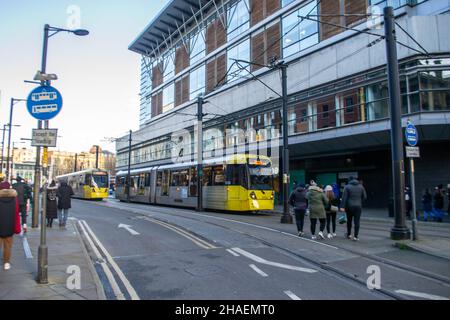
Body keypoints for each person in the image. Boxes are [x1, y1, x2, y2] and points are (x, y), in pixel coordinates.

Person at [0, 180, 21, 270]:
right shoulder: (14, 199)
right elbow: (16, 214)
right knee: (8, 246)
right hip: (10, 226)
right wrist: (17, 227)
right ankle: (6, 263)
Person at [341, 177, 367, 241]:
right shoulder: (361, 186)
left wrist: (342, 207)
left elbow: (344, 198)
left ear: (349, 181)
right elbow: (365, 197)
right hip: (358, 206)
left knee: (349, 221)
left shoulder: (347, 187)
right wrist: (360, 202)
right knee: (357, 221)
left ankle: (349, 234)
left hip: (349, 207)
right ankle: (356, 236)